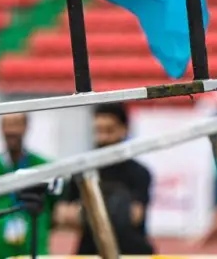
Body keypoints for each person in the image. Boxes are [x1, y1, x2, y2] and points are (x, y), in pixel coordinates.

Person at [54, 103, 153, 254]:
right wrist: (115, 209)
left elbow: (135, 216)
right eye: (98, 131)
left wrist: (84, 212)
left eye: (109, 131)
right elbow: (62, 214)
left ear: (124, 129)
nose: (103, 137)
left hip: (131, 253)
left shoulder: (139, 172)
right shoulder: (83, 169)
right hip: (90, 252)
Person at [0, 113, 53, 259]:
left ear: (26, 127)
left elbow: (55, 203)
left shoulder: (43, 166)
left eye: (17, 124)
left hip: (33, 241)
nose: (12, 130)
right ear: (0, 128)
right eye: (7, 124)